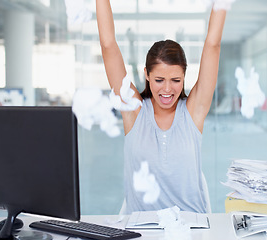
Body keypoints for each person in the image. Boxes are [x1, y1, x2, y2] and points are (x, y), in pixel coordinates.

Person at [96, 0, 227, 214]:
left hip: (191, 228)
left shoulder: (193, 111)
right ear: (146, 74)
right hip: (142, 229)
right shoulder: (134, 111)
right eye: (159, 80)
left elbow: (213, 44)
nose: (167, 90)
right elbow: (108, 45)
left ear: (185, 77)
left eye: (176, 80)